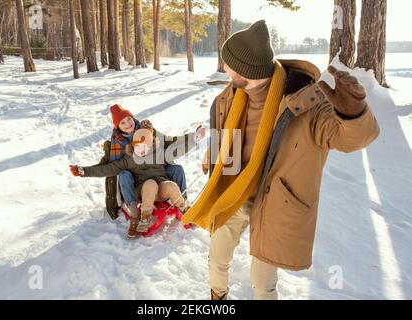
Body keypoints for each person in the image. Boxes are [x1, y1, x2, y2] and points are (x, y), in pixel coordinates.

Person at [181, 20, 380, 300]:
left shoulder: (306, 103)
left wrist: (354, 113)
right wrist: (212, 159)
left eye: (228, 64)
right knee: (217, 254)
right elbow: (223, 133)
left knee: (263, 282)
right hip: (236, 190)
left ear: (247, 71)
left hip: (276, 200)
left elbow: (349, 139)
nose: (224, 68)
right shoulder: (230, 96)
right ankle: (218, 296)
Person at [70, 126, 187, 238]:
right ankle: (145, 217)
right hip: (143, 191)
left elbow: (177, 150)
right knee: (150, 183)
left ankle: (184, 208)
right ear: (133, 146)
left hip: (161, 189)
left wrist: (195, 138)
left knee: (171, 185)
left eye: (146, 146)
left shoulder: (158, 154)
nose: (142, 150)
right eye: (139, 146)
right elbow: (107, 169)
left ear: (151, 146)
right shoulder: (128, 160)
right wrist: (84, 171)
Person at [98, 104, 205, 220]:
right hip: (137, 178)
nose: (128, 124)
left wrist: (194, 136)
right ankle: (133, 207)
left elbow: (169, 141)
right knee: (124, 174)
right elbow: (109, 168)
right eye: (122, 123)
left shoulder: (147, 130)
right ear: (117, 126)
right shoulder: (116, 144)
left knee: (177, 169)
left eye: (129, 119)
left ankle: (182, 202)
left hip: (155, 171)